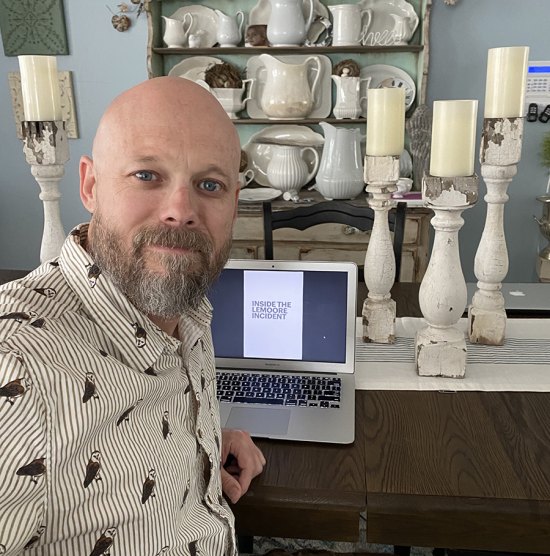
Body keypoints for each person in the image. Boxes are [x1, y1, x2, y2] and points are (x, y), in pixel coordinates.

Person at [0, 76, 266, 555]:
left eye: (210, 184)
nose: (180, 210)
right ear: (90, 185)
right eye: (147, 175)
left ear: (234, 207)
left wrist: (200, 441)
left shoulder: (187, 309)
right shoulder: (18, 375)